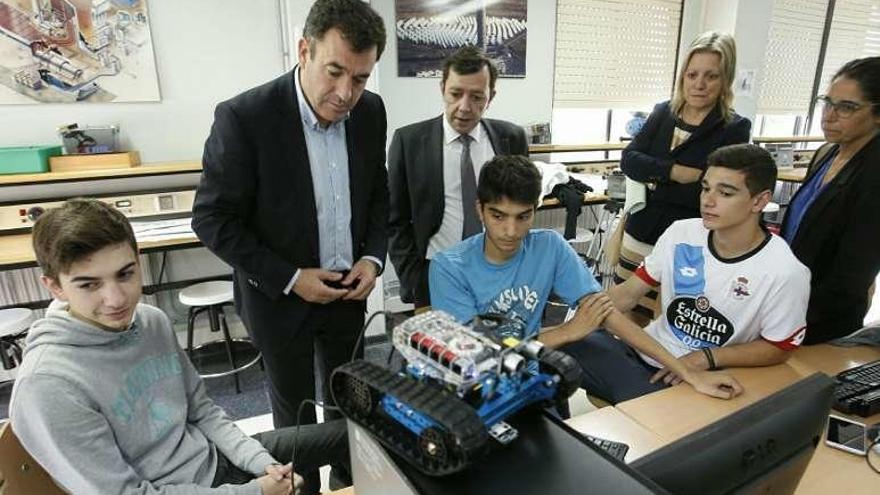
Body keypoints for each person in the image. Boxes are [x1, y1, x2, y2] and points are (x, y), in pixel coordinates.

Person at [10, 199, 348, 495]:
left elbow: (201, 410)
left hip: (216, 459)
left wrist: (259, 462)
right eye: (89, 284)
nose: (115, 299)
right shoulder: (49, 385)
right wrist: (253, 492)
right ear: (54, 286)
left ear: (138, 259)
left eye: (125, 274)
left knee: (367, 435)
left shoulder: (151, 321)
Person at [192, 0, 385, 434]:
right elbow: (212, 219)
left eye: (359, 78)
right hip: (280, 298)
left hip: (348, 293)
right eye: (334, 72)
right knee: (295, 423)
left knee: (350, 408)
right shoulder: (245, 117)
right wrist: (292, 277)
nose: (345, 94)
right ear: (304, 51)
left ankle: (346, 480)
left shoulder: (370, 111)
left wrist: (372, 259)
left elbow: (377, 194)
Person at [430, 155, 744, 402]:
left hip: (531, 371)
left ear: (534, 210)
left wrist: (688, 372)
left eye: (523, 216)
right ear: (480, 210)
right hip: (478, 384)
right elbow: (478, 354)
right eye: (498, 216)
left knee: (637, 384)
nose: (511, 231)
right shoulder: (449, 267)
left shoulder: (548, 246)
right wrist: (567, 331)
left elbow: (603, 312)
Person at [566, 144, 810, 404]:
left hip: (702, 375)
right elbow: (628, 293)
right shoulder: (681, 233)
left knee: (648, 409)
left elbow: (780, 348)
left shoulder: (785, 272)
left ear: (759, 201)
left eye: (725, 192)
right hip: (644, 354)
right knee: (546, 352)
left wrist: (706, 357)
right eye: (706, 188)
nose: (708, 200)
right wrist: (578, 316)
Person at [617, 31, 751, 324]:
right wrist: (678, 173)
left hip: (690, 240)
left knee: (670, 319)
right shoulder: (663, 112)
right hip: (642, 229)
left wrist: (655, 179)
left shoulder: (734, 128)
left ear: (725, 80)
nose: (699, 85)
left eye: (711, 76)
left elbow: (716, 192)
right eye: (692, 75)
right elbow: (629, 160)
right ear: (682, 77)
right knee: (626, 314)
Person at [389, 45, 528, 309]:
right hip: (435, 272)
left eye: (477, 97)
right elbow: (395, 219)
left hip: (499, 271)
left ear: (491, 96)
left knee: (498, 345)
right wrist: (414, 278)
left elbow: (521, 209)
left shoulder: (512, 138)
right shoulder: (409, 141)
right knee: (439, 349)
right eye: (456, 94)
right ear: (442, 88)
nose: (465, 107)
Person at [781, 57, 880, 344]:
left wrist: (796, 317)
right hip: (786, 299)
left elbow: (853, 275)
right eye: (828, 102)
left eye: (846, 107)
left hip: (821, 318)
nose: (829, 115)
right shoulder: (826, 152)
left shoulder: (874, 173)